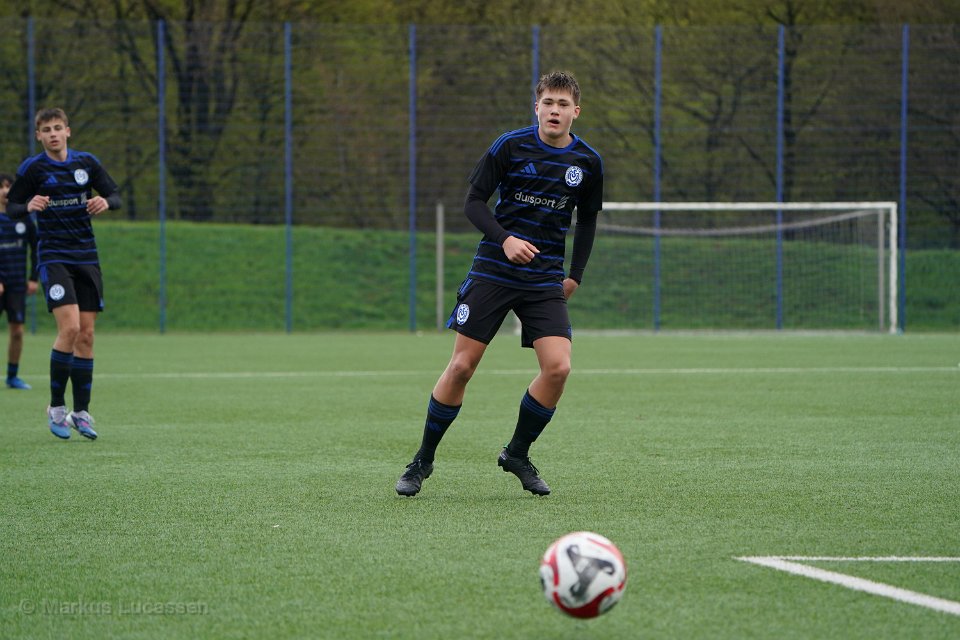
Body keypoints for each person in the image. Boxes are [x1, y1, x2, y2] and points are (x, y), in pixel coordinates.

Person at [395, 71, 603, 497]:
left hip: (543, 278)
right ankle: (422, 461)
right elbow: (473, 203)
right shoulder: (509, 146)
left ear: (576, 112)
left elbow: (587, 221)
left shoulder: (587, 162)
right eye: (548, 103)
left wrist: (574, 275)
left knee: (559, 367)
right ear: (537, 107)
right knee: (461, 366)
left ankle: (516, 454)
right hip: (493, 269)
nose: (555, 111)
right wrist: (505, 239)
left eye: (563, 104)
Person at [6, 108, 121, 440]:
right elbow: (12, 206)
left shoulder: (86, 163)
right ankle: (56, 407)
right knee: (69, 328)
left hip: (86, 256)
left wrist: (106, 203)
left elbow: (115, 195)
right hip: (53, 256)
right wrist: (28, 206)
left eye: (58, 128)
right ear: (39, 136)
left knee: (86, 335)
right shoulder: (33, 168)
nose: (53, 134)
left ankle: (80, 413)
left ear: (68, 131)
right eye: (47, 130)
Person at [0, 172, 39, 390]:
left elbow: (37, 247)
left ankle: (12, 376)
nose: (5, 190)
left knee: (17, 331)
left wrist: (33, 278)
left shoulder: (23, 217)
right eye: (1, 187)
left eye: (8, 186)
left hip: (16, 284)